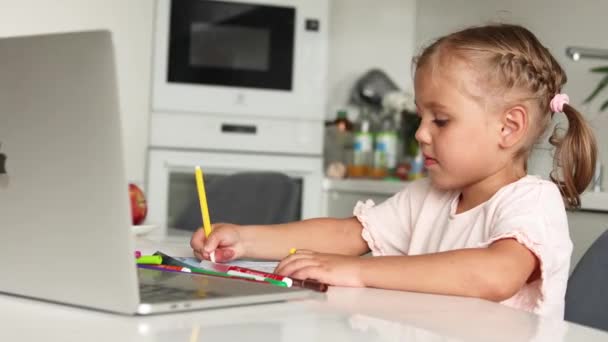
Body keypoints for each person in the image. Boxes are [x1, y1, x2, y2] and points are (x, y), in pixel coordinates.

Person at [190, 24, 597, 319]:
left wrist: (358, 271)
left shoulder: (531, 201)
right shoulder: (428, 195)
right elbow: (349, 234)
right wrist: (244, 239)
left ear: (509, 127)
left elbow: (494, 275)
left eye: (440, 120)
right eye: (421, 117)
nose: (420, 133)